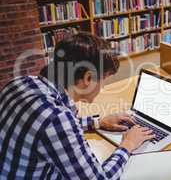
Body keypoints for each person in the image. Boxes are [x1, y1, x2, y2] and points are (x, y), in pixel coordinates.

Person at [0, 32, 155, 179]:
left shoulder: (20, 83)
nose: (102, 87)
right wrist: (128, 144)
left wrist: (98, 122)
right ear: (88, 78)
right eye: (105, 79)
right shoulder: (57, 119)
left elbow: (45, 129)